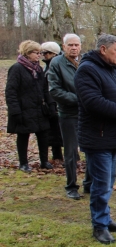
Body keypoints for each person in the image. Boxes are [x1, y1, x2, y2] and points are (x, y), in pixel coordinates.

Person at [74, 34, 116, 244]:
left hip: (111, 135)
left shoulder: (112, 69)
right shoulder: (87, 70)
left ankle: (105, 219)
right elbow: (93, 102)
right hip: (97, 135)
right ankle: (99, 226)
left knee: (108, 181)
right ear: (103, 49)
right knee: (101, 184)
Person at [47, 33, 90, 199]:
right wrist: (79, 100)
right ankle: (71, 185)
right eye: (70, 45)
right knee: (71, 152)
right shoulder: (57, 63)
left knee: (91, 149)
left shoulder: (85, 61)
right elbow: (55, 90)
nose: (74, 48)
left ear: (80, 46)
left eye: (76, 45)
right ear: (63, 46)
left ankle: (89, 183)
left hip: (87, 113)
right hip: (68, 113)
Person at [6, 40, 56, 173]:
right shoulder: (17, 69)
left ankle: (44, 161)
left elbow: (45, 89)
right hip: (24, 109)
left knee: (43, 135)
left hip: (39, 109)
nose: (39, 55)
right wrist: (15, 111)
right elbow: (11, 92)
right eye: (36, 52)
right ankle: (23, 163)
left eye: (40, 53)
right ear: (27, 53)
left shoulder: (38, 69)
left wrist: (50, 105)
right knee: (23, 135)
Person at [41, 41, 64, 162]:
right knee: (53, 131)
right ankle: (57, 155)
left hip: (58, 102)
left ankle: (71, 156)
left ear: (54, 53)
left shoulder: (58, 65)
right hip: (50, 103)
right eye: (43, 53)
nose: (44, 55)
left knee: (63, 131)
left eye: (47, 53)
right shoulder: (47, 66)